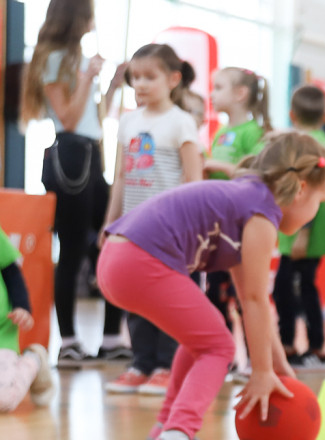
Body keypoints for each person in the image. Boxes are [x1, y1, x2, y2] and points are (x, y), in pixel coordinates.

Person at [98, 131, 325, 440]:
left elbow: (251, 300)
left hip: (118, 258)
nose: (318, 210)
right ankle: (178, 435)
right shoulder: (260, 214)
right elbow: (253, 301)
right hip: (140, 260)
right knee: (219, 346)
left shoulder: (246, 202)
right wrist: (261, 372)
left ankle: (167, 426)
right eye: (321, 202)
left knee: (201, 341)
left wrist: (278, 367)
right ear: (300, 190)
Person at [20, 0, 128, 367]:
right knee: (71, 252)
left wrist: (110, 85)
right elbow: (67, 118)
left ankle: (111, 337)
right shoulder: (54, 58)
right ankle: (67, 341)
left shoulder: (74, 57)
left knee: (112, 241)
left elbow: (93, 118)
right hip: (69, 157)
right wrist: (86, 78)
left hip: (90, 154)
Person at [103, 44, 202, 395]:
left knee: (169, 299)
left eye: (150, 77)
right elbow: (121, 177)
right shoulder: (128, 121)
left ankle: (166, 365)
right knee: (136, 297)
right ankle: (140, 363)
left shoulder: (181, 122)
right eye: (135, 77)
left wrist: (191, 231)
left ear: (173, 79)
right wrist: (110, 224)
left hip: (171, 231)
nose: (140, 84)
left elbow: (194, 180)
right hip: (132, 230)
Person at [204, 67, 272, 372]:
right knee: (214, 294)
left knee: (245, 296)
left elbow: (252, 175)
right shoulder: (220, 132)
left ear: (240, 94)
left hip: (241, 228)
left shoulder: (255, 133)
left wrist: (214, 164)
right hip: (216, 227)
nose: (212, 93)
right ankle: (224, 357)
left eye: (218, 87)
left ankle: (257, 359)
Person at [271, 85, 325, 371]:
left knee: (295, 289)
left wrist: (302, 234)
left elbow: (308, 192)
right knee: (292, 288)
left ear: (292, 113)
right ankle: (296, 344)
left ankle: (314, 347)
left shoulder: (305, 145)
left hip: (302, 235)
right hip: (296, 234)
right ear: (324, 115)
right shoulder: (320, 141)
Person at [0, 228, 54, 412]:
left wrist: (22, 307)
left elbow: (11, 271)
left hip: (2, 334)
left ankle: (34, 360)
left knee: (3, 398)